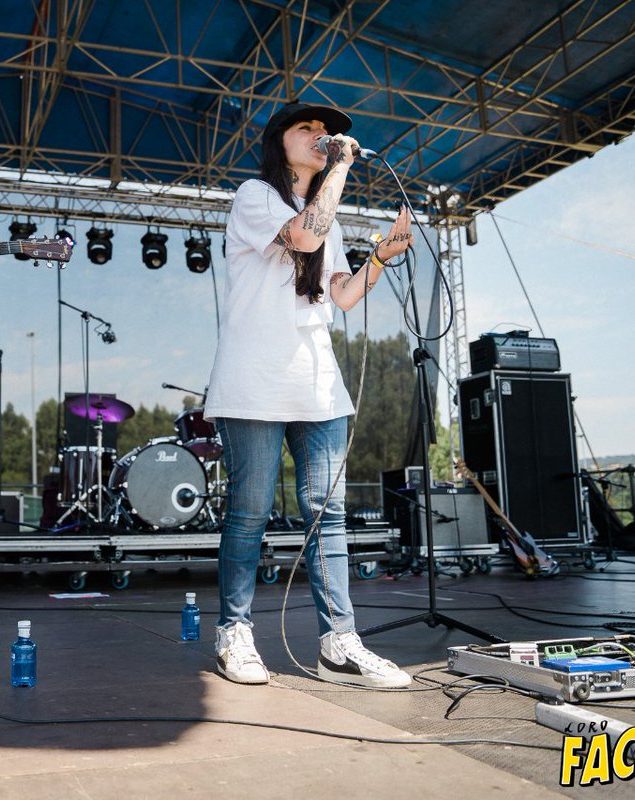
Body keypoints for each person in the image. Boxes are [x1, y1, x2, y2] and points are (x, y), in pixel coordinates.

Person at [204, 102, 414, 688]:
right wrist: (340, 170)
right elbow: (301, 236)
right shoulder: (254, 195)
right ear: (280, 141)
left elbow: (341, 296)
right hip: (254, 379)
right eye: (309, 130)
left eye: (329, 134)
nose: (323, 138)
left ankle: (338, 643)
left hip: (317, 381)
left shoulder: (331, 216)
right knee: (248, 514)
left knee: (328, 513)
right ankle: (235, 631)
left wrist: (379, 257)